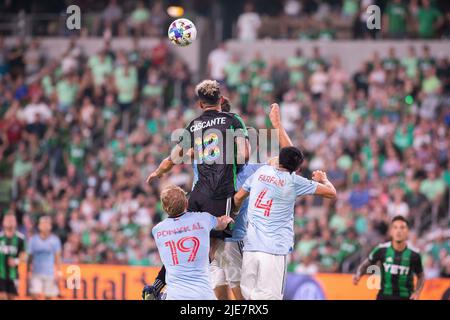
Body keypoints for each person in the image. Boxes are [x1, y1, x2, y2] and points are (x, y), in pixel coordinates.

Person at [144, 80, 249, 299]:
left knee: (182, 233)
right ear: (220, 100)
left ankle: (159, 285)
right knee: (211, 249)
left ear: (200, 105)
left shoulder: (194, 125)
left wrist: (159, 172)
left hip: (198, 193)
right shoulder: (233, 120)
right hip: (221, 194)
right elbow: (244, 155)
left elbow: (174, 157)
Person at [211, 101, 294, 300]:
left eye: (246, 143)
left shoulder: (257, 169)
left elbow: (292, 158)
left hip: (235, 239)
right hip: (214, 238)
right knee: (217, 286)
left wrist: (278, 126)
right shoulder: (215, 165)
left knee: (242, 294)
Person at [233, 146, 337, 299]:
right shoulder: (294, 181)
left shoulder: (261, 172)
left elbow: (237, 198)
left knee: (248, 298)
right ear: (298, 168)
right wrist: (324, 179)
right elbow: (331, 193)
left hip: (250, 249)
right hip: (274, 251)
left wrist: (234, 215)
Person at [143, 185, 233, 300]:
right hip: (204, 296)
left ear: (164, 208)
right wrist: (226, 219)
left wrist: (156, 287)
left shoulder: (157, 230)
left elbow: (168, 264)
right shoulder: (203, 219)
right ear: (186, 203)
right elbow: (221, 224)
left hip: (174, 296)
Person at [352, 215, 425, 300]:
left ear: (407, 232)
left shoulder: (414, 254)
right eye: (395, 228)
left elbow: (421, 276)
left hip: (406, 297)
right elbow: (365, 264)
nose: (398, 231)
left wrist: (417, 292)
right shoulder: (381, 249)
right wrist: (358, 274)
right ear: (390, 232)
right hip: (384, 296)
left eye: (402, 228)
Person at [27, 216, 62, 300]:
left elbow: (57, 257)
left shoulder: (55, 240)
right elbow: (30, 257)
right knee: (34, 295)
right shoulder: (33, 240)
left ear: (50, 226)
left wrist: (59, 271)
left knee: (49, 297)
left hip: (49, 273)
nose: (45, 226)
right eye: (43, 223)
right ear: (39, 226)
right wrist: (28, 271)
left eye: (47, 224)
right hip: (36, 272)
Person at [0, 213, 26, 300]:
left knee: (12, 298)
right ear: (3, 222)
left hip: (14, 275)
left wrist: (16, 261)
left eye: (12, 220)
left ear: (16, 223)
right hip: (0, 275)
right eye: (7, 220)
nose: (9, 222)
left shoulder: (20, 239)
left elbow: (25, 257)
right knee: (2, 297)